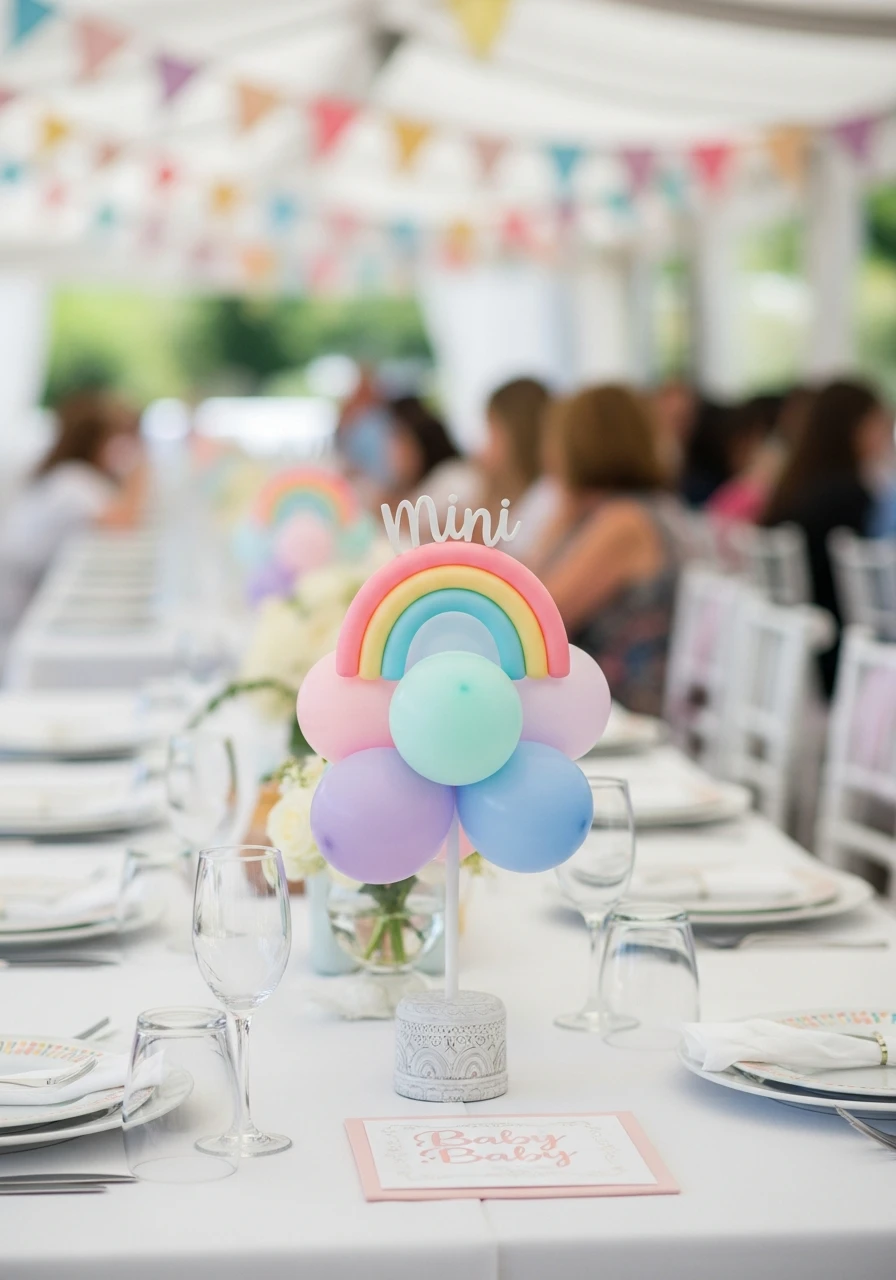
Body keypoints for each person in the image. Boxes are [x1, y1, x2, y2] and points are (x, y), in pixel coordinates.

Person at [530, 384, 685, 715]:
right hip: (602, 701)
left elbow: (535, 617)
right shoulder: (613, 512)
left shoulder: (624, 521)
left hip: (627, 710)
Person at [763, 378, 893, 692]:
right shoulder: (851, 497)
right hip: (844, 657)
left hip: (799, 651)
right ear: (854, 427)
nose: (886, 436)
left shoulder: (795, 488)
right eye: (880, 424)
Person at [0, 388, 147, 640]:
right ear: (94, 442)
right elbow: (123, 522)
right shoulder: (73, 482)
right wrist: (140, 467)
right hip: (13, 607)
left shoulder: (66, 475)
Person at [478, 377, 556, 558]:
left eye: (491, 432)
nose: (482, 448)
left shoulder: (546, 499)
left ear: (516, 435)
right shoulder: (522, 497)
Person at [382, 395, 480, 517]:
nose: (390, 451)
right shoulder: (418, 485)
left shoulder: (455, 480)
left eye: (400, 442)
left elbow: (412, 522)